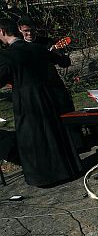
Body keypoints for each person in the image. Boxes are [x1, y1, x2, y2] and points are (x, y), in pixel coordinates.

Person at [0, 17, 82, 187]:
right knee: (54, 132)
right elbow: (62, 61)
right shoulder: (36, 48)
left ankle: (45, 177)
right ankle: (67, 170)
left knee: (33, 137)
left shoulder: (7, 56)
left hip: (27, 101)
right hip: (48, 97)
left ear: (2, 32)